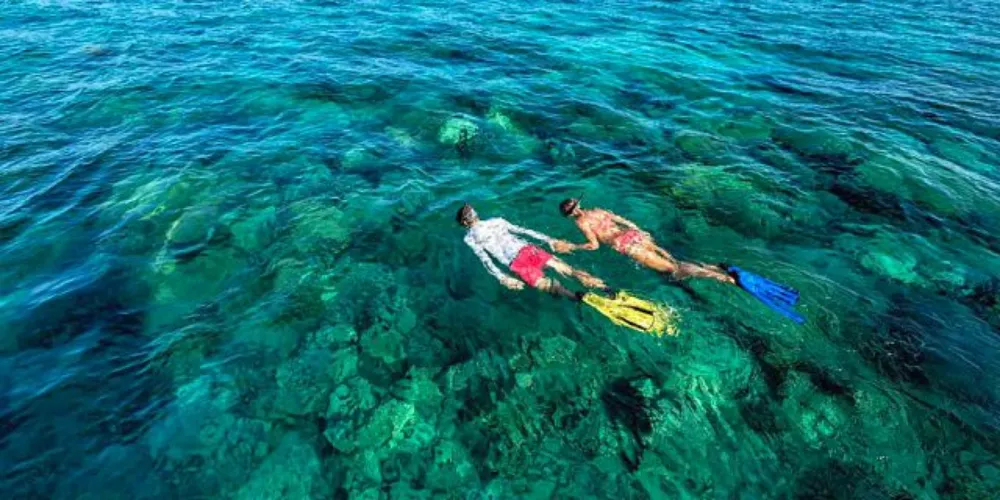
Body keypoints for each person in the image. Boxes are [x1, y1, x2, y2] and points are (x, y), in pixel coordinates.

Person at [556, 197, 804, 323]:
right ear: (580, 203)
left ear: (568, 215)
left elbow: (594, 244)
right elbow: (623, 220)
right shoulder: (598, 210)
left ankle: (725, 278)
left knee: (673, 271)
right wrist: (639, 231)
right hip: (636, 235)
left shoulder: (581, 223)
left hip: (627, 246)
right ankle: (718, 268)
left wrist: (571, 246)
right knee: (674, 260)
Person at [456, 203, 605, 300]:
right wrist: (549, 240)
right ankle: (603, 287)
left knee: (547, 285)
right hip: (528, 249)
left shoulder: (470, 238)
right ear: (476, 214)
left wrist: (502, 277)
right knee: (568, 270)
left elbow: (485, 259)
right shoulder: (497, 221)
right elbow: (525, 231)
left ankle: (575, 297)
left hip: (516, 263)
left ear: (464, 223)